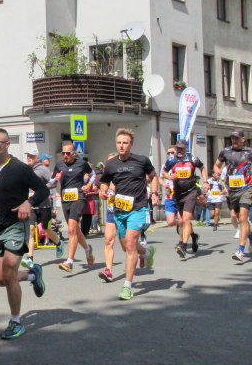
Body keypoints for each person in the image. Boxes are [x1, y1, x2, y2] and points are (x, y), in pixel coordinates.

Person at [0, 128, 49, 339]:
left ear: (7, 145)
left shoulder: (20, 168)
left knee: (9, 271)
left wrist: (29, 202)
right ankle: (33, 274)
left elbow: (42, 190)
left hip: (16, 225)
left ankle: (16, 321)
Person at [99, 128, 158, 300]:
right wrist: (103, 191)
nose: (122, 146)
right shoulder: (111, 164)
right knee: (126, 246)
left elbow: (154, 176)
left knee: (131, 245)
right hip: (119, 210)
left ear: (131, 144)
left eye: (125, 143)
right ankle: (147, 253)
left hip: (138, 207)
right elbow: (104, 182)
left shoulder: (141, 161)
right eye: (119, 143)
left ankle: (127, 285)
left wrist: (154, 193)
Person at [215, 129, 252, 264]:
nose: (234, 141)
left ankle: (240, 250)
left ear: (243, 139)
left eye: (237, 138)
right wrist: (216, 172)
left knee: (244, 218)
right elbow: (217, 165)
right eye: (233, 138)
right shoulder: (225, 151)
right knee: (239, 219)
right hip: (232, 189)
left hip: (247, 188)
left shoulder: (250, 151)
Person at [161, 139, 206, 259]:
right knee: (180, 221)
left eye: (181, 148)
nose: (179, 150)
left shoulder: (193, 159)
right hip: (177, 193)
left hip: (190, 192)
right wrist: (169, 176)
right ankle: (193, 237)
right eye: (178, 148)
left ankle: (184, 245)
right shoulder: (172, 160)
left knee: (185, 220)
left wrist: (205, 182)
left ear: (187, 148)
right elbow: (164, 172)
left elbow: (202, 168)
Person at [54, 141, 95, 271]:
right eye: (63, 153)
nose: (65, 156)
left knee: (71, 229)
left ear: (74, 153)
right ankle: (88, 249)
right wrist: (56, 178)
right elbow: (51, 181)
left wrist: (88, 185)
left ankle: (69, 261)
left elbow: (93, 174)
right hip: (65, 199)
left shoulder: (82, 163)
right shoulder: (59, 165)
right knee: (75, 229)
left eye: (67, 153)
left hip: (79, 197)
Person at [23, 147, 62, 266]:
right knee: (30, 231)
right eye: (27, 156)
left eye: (31, 156)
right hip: (31, 206)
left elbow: (52, 183)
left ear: (37, 158)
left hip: (43, 205)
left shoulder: (42, 169)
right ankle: (29, 258)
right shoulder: (25, 170)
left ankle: (59, 243)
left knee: (46, 229)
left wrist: (52, 182)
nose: (28, 158)